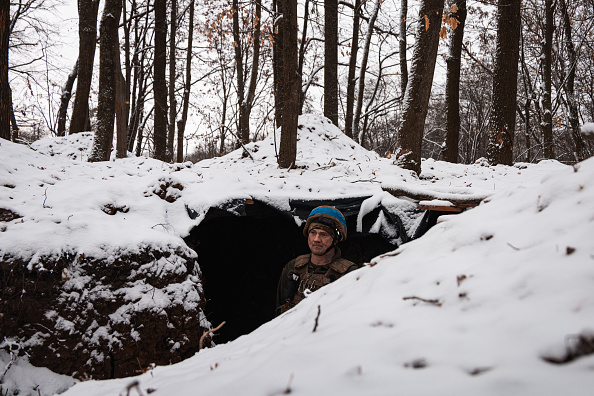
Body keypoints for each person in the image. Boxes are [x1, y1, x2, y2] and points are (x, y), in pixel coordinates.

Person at [276, 206, 359, 315]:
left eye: (323, 234)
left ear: (335, 240)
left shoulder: (349, 273)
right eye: (313, 233)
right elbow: (280, 309)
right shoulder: (293, 267)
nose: (316, 239)